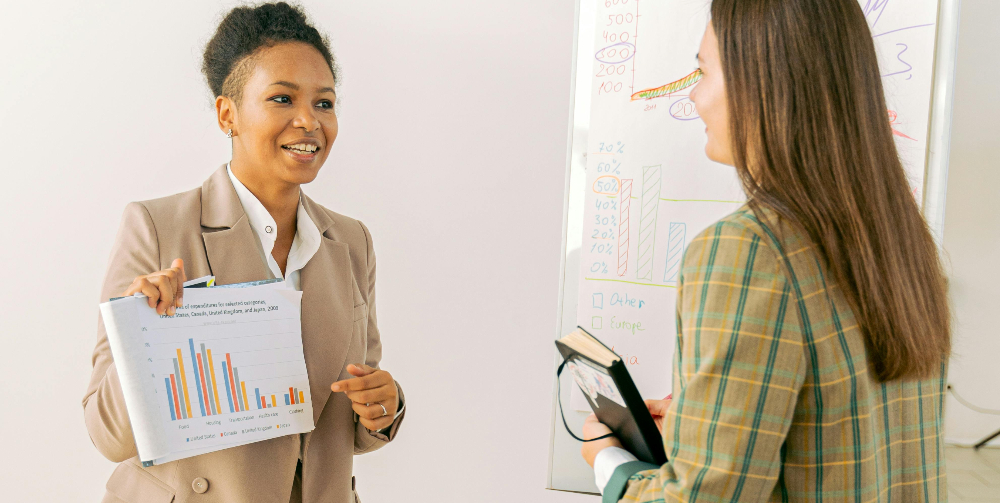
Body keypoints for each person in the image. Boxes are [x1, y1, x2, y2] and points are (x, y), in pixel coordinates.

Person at [581, 0, 951, 502]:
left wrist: (610, 463)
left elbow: (707, 499)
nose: (693, 95)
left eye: (702, 71)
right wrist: (699, 430)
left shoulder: (746, 251)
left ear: (761, 85)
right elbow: (829, 435)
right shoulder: (900, 243)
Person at [81, 3, 404, 502]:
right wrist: (144, 331)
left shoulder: (351, 241)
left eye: (324, 103)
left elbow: (341, 423)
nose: (309, 122)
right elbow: (108, 437)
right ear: (227, 114)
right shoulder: (157, 227)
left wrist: (384, 406)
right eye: (282, 98)